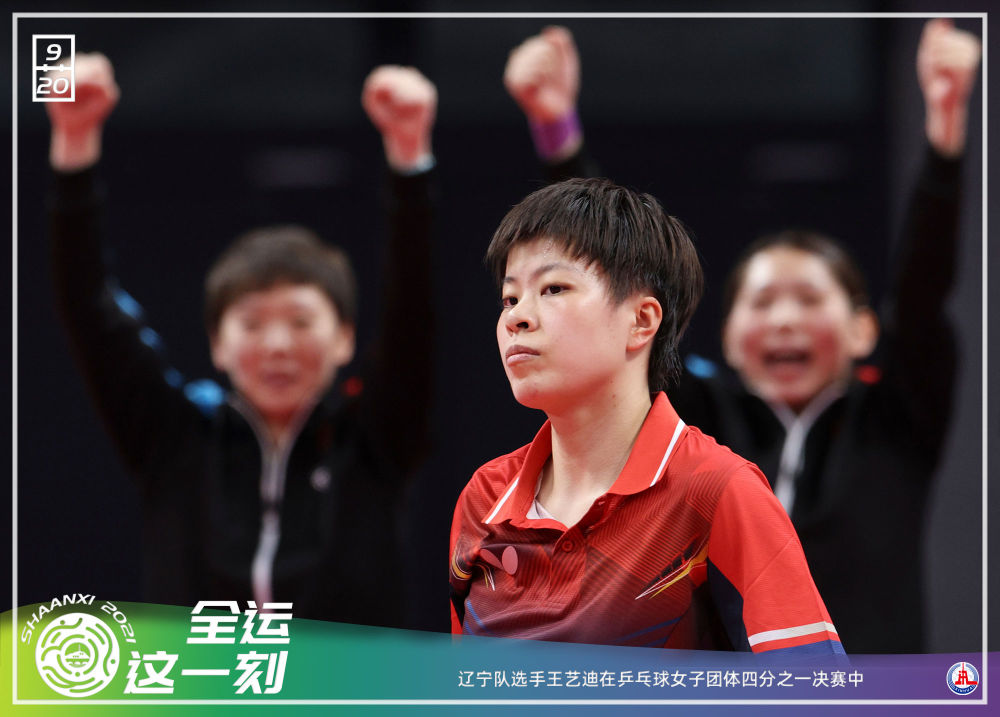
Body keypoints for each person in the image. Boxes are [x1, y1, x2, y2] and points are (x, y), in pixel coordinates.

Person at [503, 20, 981, 652]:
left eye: (808, 299)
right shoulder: (700, 426)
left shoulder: (897, 419)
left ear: (863, 329)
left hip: (875, 692)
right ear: (728, 338)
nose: (783, 320)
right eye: (762, 303)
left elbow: (923, 296)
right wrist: (557, 132)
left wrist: (945, 133)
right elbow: (617, 289)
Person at [46, 55, 437, 627]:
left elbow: (413, 313)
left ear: (344, 339)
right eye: (251, 324)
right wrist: (74, 141)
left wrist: (409, 154)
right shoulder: (174, 441)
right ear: (217, 344)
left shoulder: (374, 442)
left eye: (301, 322)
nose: (277, 344)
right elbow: (89, 309)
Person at [449, 177, 845, 655]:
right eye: (510, 298)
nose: (517, 318)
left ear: (641, 321)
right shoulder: (484, 498)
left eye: (553, 288)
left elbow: (813, 687)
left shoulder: (717, 492)